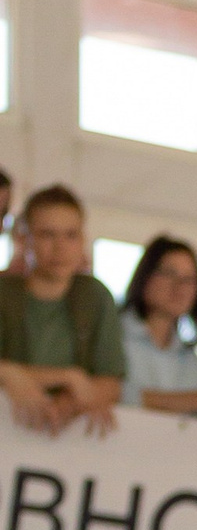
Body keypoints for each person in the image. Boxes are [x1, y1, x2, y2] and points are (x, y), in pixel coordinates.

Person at [0, 184, 125, 433]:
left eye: (71, 235)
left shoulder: (96, 297)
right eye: (47, 234)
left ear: (82, 240)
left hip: (65, 444)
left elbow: (111, 381)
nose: (60, 247)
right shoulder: (4, 292)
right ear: (25, 238)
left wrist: (66, 402)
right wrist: (68, 377)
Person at [116, 234, 197, 411]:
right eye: (169, 273)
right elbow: (109, 393)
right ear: (145, 276)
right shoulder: (113, 336)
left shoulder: (196, 366)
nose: (180, 287)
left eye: (189, 280)